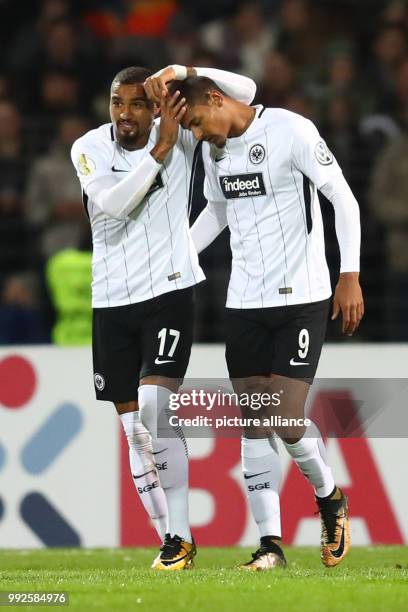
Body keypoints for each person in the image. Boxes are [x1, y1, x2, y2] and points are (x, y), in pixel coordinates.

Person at [172, 75, 363, 570]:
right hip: (245, 303)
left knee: (283, 415)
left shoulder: (291, 130)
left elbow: (343, 199)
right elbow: (216, 212)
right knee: (255, 424)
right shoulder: (214, 153)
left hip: (302, 297)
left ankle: (329, 497)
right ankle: (270, 546)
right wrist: (174, 260)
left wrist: (350, 275)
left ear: (216, 99)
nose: (198, 134)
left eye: (196, 122)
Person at [70, 65, 256, 570]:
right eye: (116, 103)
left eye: (136, 103)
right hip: (110, 299)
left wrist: (186, 71)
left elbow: (246, 92)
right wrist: (159, 150)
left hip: (168, 293)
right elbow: (111, 206)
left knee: (155, 406)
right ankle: (173, 543)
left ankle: (178, 535)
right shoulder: (88, 148)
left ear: (154, 107)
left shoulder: (181, 133)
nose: (125, 114)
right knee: (133, 430)